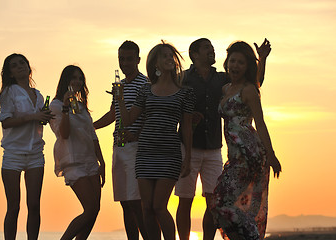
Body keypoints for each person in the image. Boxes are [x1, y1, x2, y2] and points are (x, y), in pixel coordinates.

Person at [175, 38, 271, 240]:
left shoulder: (221, 80)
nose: (212, 51)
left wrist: (261, 60)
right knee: (187, 200)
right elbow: (170, 99)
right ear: (194, 54)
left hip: (220, 149)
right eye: (206, 48)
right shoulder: (183, 78)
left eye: (212, 47)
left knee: (215, 202)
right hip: (190, 147)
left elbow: (252, 82)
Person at [114, 42, 195, 240]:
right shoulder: (146, 90)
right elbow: (128, 120)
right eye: (165, 56)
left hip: (169, 154)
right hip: (145, 154)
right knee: (146, 207)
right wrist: (120, 98)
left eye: (171, 55)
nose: (170, 59)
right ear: (155, 63)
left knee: (159, 206)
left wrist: (188, 158)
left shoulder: (185, 92)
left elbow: (186, 127)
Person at [209, 41, 281, 240]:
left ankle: (252, 236)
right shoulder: (226, 89)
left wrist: (272, 155)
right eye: (232, 61)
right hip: (234, 156)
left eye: (241, 62)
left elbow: (261, 123)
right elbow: (258, 80)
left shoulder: (249, 91)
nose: (235, 65)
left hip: (249, 154)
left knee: (221, 202)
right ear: (227, 62)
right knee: (222, 204)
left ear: (248, 66)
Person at [93, 40, 149, 240]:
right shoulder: (120, 86)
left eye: (129, 59)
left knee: (137, 202)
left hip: (136, 148)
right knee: (125, 202)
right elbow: (113, 114)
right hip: (119, 146)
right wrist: (90, 127)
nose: (125, 63)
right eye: (121, 59)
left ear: (138, 60)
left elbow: (150, 114)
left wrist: (138, 134)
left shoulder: (146, 84)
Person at [0, 53, 54, 240]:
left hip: (36, 153)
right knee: (14, 206)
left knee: (34, 205)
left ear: (29, 68)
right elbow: (6, 121)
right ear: (10, 73)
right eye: (14, 65)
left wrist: (44, 117)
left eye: (22, 63)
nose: (20, 66)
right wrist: (33, 117)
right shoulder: (9, 92)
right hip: (13, 154)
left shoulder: (38, 95)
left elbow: (39, 122)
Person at [49, 65, 105, 240]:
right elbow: (63, 133)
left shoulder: (81, 106)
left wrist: (101, 162)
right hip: (73, 160)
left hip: (90, 160)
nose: (77, 81)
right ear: (66, 80)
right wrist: (65, 107)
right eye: (74, 78)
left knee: (94, 210)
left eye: (80, 78)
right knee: (90, 209)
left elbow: (92, 135)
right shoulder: (56, 106)